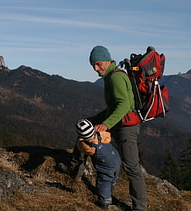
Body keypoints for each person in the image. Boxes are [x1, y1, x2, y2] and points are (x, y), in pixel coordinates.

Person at [57, 46, 148, 211]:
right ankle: (75, 169)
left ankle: (140, 207)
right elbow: (114, 106)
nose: (95, 68)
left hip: (127, 126)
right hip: (118, 121)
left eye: (98, 64)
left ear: (107, 60)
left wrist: (105, 124)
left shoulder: (116, 78)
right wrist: (95, 121)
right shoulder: (110, 76)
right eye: (93, 65)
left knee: (131, 167)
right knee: (85, 128)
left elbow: (124, 105)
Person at [75, 119, 121, 210]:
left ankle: (105, 202)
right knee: (113, 177)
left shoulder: (89, 147)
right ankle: (111, 187)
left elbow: (83, 149)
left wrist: (80, 140)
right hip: (116, 159)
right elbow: (108, 137)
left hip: (106, 167)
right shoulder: (102, 135)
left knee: (103, 182)